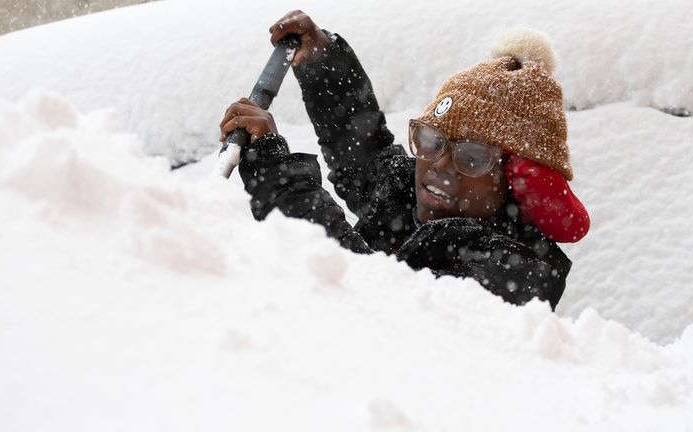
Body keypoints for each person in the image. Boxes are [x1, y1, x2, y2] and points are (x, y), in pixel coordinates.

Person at [218, 10, 589, 309]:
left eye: (472, 157)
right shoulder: (408, 197)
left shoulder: (516, 274)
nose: (438, 166)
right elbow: (363, 152)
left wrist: (279, 176)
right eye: (431, 140)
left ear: (516, 183)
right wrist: (323, 63)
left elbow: (372, 307)